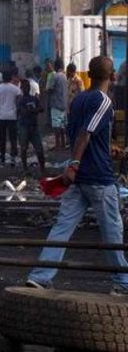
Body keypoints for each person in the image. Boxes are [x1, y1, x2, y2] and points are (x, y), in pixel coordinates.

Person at [26, 56, 128, 293]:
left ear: (89, 75)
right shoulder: (103, 101)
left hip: (79, 179)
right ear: (112, 76)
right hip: (98, 178)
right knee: (112, 231)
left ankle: (41, 276)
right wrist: (73, 164)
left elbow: (85, 136)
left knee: (62, 227)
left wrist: (109, 150)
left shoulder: (79, 100)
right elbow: (86, 133)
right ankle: (123, 283)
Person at [18, 78, 46, 177]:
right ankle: (25, 168)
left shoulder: (33, 99)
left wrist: (32, 110)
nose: (26, 88)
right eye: (24, 87)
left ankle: (42, 169)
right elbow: (23, 111)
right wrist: (34, 110)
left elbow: (41, 108)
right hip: (24, 126)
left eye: (27, 87)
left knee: (39, 149)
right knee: (24, 148)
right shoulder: (21, 100)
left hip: (33, 127)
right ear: (22, 88)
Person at [46, 59, 67, 151]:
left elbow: (50, 89)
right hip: (63, 103)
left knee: (56, 125)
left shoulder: (54, 76)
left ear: (55, 66)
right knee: (62, 125)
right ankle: (63, 143)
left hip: (56, 103)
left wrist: (46, 90)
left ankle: (58, 144)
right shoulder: (64, 76)